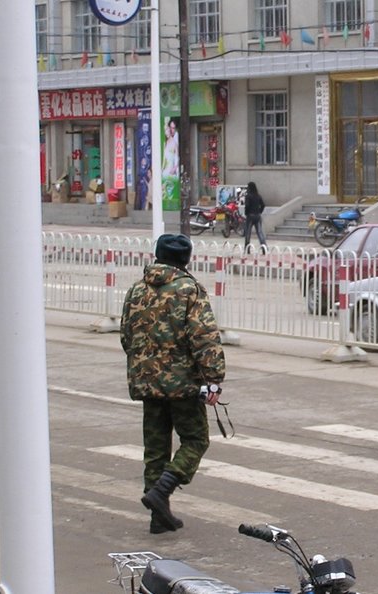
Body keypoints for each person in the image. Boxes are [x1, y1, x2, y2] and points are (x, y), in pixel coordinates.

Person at [121, 234, 225, 534]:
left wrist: (144, 368)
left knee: (155, 449)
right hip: (182, 384)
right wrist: (214, 378)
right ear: (186, 260)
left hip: (146, 382)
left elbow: (126, 336)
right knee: (195, 440)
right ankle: (162, 491)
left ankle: (158, 517)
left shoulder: (137, 289)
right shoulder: (189, 290)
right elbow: (204, 337)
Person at [242, 181, 268, 252]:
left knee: (248, 232)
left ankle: (247, 249)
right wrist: (260, 211)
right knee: (260, 232)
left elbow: (247, 206)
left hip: (250, 216)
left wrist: (246, 213)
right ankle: (264, 247)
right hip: (257, 216)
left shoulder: (248, 196)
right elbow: (263, 205)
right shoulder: (258, 196)